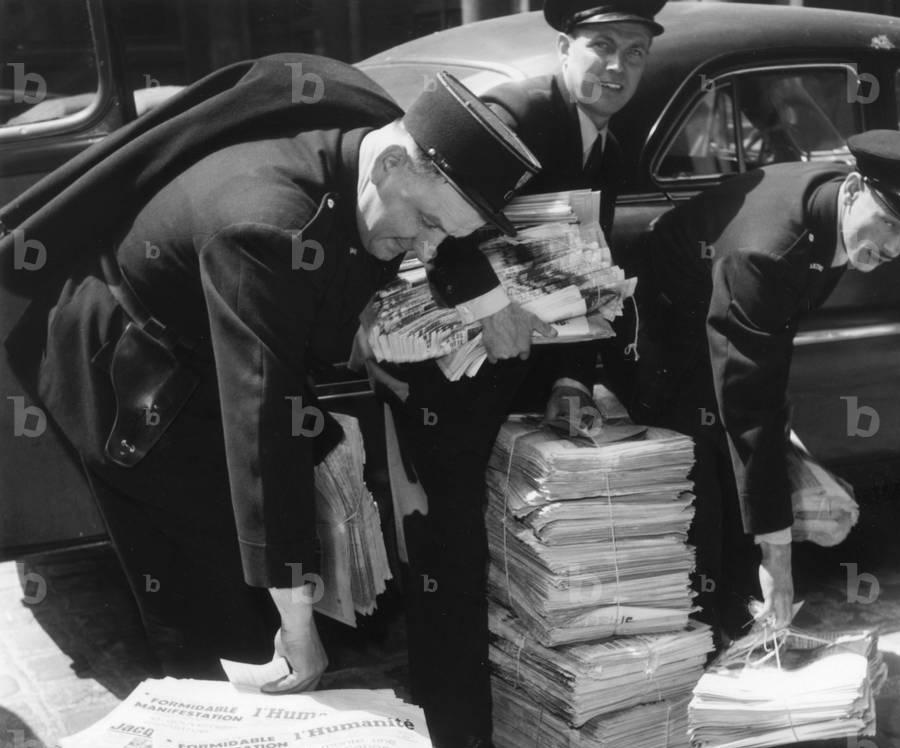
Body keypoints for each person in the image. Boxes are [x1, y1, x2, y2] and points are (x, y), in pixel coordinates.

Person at [0, 56, 540, 692]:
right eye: (424, 225)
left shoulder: (381, 132)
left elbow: (443, 217)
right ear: (392, 162)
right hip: (131, 364)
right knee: (209, 602)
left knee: (258, 559)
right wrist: (297, 620)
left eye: (444, 236)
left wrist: (485, 299)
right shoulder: (264, 226)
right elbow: (263, 424)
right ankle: (208, 715)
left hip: (222, 337)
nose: (428, 251)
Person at [371, 0, 666, 748]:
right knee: (449, 546)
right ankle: (459, 733)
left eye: (634, 52)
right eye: (600, 46)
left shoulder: (608, 137)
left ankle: (519, 697)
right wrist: (489, 309)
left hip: (524, 358)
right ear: (564, 46)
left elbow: (581, 256)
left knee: (521, 534)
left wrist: (572, 375)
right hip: (448, 362)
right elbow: (438, 224)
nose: (617, 67)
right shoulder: (514, 115)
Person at [603, 130, 900, 643]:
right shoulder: (769, 252)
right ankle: (709, 649)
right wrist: (778, 555)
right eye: (888, 223)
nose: (893, 246)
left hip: (724, 321)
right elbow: (747, 401)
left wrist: (779, 435)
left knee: (745, 487)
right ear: (854, 189)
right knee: (705, 501)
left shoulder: (836, 210)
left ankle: (738, 631)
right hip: (666, 335)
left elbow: (771, 346)